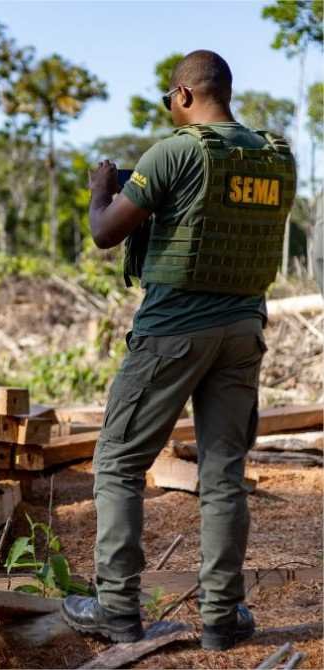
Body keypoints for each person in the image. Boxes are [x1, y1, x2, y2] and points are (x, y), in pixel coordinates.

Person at [60, 50, 296, 651]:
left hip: (172, 333)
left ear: (184, 95)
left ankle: (115, 609)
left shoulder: (176, 150)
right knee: (222, 475)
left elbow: (106, 232)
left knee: (117, 463)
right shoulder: (274, 155)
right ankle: (222, 618)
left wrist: (98, 191)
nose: (171, 109)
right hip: (243, 331)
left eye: (170, 100)